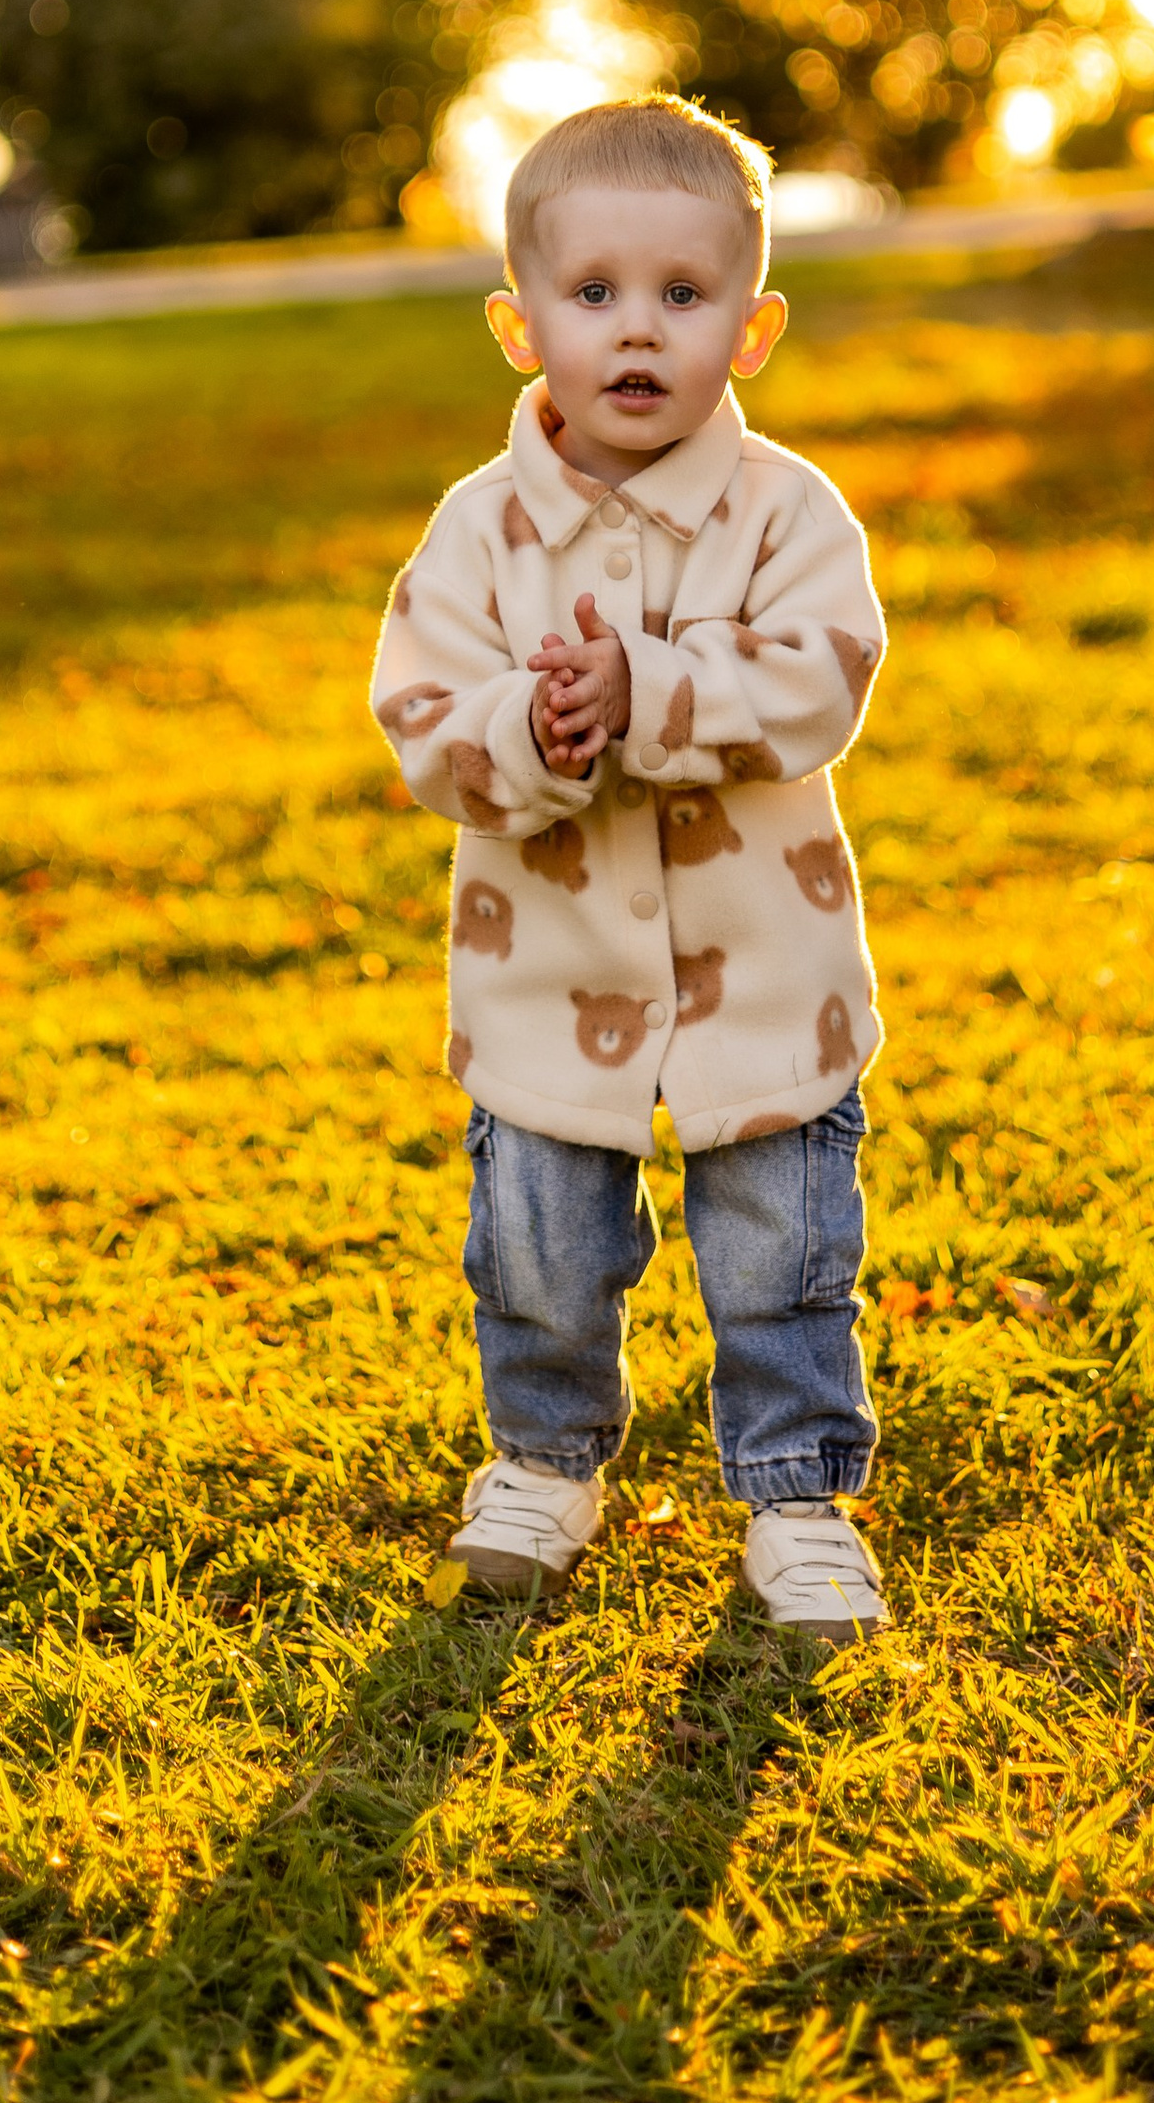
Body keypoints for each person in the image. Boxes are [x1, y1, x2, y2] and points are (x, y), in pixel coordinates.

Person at [369, 95, 891, 1643]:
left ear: (754, 327)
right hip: (546, 975)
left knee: (783, 1245)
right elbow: (422, 723)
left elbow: (822, 683)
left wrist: (652, 693)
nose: (640, 329)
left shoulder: (788, 514)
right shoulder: (478, 535)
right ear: (520, 326)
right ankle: (543, 1466)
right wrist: (530, 726)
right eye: (594, 292)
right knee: (539, 1243)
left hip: (768, 978)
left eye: (684, 293)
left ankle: (797, 1499)